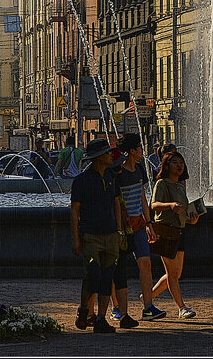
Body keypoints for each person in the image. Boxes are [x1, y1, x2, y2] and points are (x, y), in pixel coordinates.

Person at [110, 133, 165, 323]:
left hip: (139, 225)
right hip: (124, 227)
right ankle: (116, 307)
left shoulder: (140, 169)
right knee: (117, 268)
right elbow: (116, 202)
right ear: (132, 151)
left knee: (146, 263)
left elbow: (142, 197)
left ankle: (148, 307)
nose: (143, 151)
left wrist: (149, 223)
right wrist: (117, 228)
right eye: (140, 148)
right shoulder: (118, 173)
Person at [70, 138, 122, 334]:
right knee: (93, 275)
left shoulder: (110, 176)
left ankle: (100, 319)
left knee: (107, 277)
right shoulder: (82, 181)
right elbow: (75, 211)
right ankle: (84, 308)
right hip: (90, 235)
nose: (111, 156)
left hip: (110, 235)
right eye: (108, 153)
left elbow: (116, 203)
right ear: (99, 157)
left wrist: (119, 231)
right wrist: (76, 238)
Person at [151, 150, 199, 319]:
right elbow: (154, 205)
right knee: (172, 273)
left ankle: (148, 297)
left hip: (179, 232)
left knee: (176, 273)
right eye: (175, 162)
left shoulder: (179, 185)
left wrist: (190, 219)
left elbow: (181, 213)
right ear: (167, 165)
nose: (179, 166)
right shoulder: (162, 183)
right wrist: (169, 205)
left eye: (181, 163)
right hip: (166, 232)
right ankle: (182, 307)